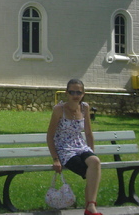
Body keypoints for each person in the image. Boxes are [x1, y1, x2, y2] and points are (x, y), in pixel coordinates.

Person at [47, 79, 102, 215]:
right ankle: (90, 208)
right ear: (66, 93)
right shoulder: (59, 110)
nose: (75, 95)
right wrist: (55, 159)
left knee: (95, 162)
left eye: (79, 92)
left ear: (83, 94)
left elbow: (88, 133)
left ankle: (91, 206)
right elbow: (50, 136)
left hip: (81, 147)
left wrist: (91, 152)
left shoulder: (85, 108)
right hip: (64, 149)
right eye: (72, 92)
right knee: (90, 173)